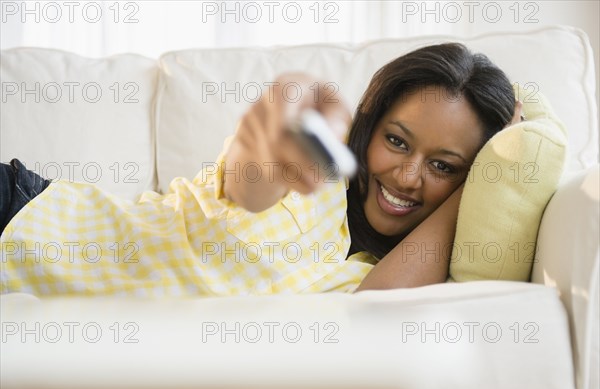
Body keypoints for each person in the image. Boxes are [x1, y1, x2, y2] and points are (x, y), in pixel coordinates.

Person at [0, 43, 520, 297]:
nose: (408, 177)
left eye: (442, 165)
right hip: (23, 217)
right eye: (396, 141)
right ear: (371, 122)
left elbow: (376, 310)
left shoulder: (385, 273)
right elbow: (251, 183)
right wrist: (276, 120)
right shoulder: (316, 165)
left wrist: (487, 173)